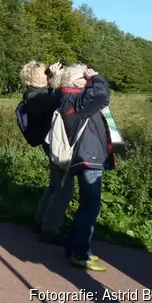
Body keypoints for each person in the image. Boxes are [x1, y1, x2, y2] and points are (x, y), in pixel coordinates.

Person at [56, 64, 113, 272]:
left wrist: (94, 81)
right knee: (90, 206)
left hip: (88, 156)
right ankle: (80, 254)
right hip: (88, 157)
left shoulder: (73, 97)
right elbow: (100, 93)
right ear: (77, 81)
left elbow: (103, 98)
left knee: (87, 205)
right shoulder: (74, 98)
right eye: (84, 76)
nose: (88, 78)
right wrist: (97, 78)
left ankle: (74, 248)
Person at [19, 60, 68, 245]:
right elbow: (59, 101)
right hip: (55, 145)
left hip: (52, 143)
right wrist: (56, 81)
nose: (48, 73)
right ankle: (50, 229)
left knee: (55, 183)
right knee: (63, 187)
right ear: (35, 76)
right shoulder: (34, 96)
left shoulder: (37, 93)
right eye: (45, 72)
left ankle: (41, 221)